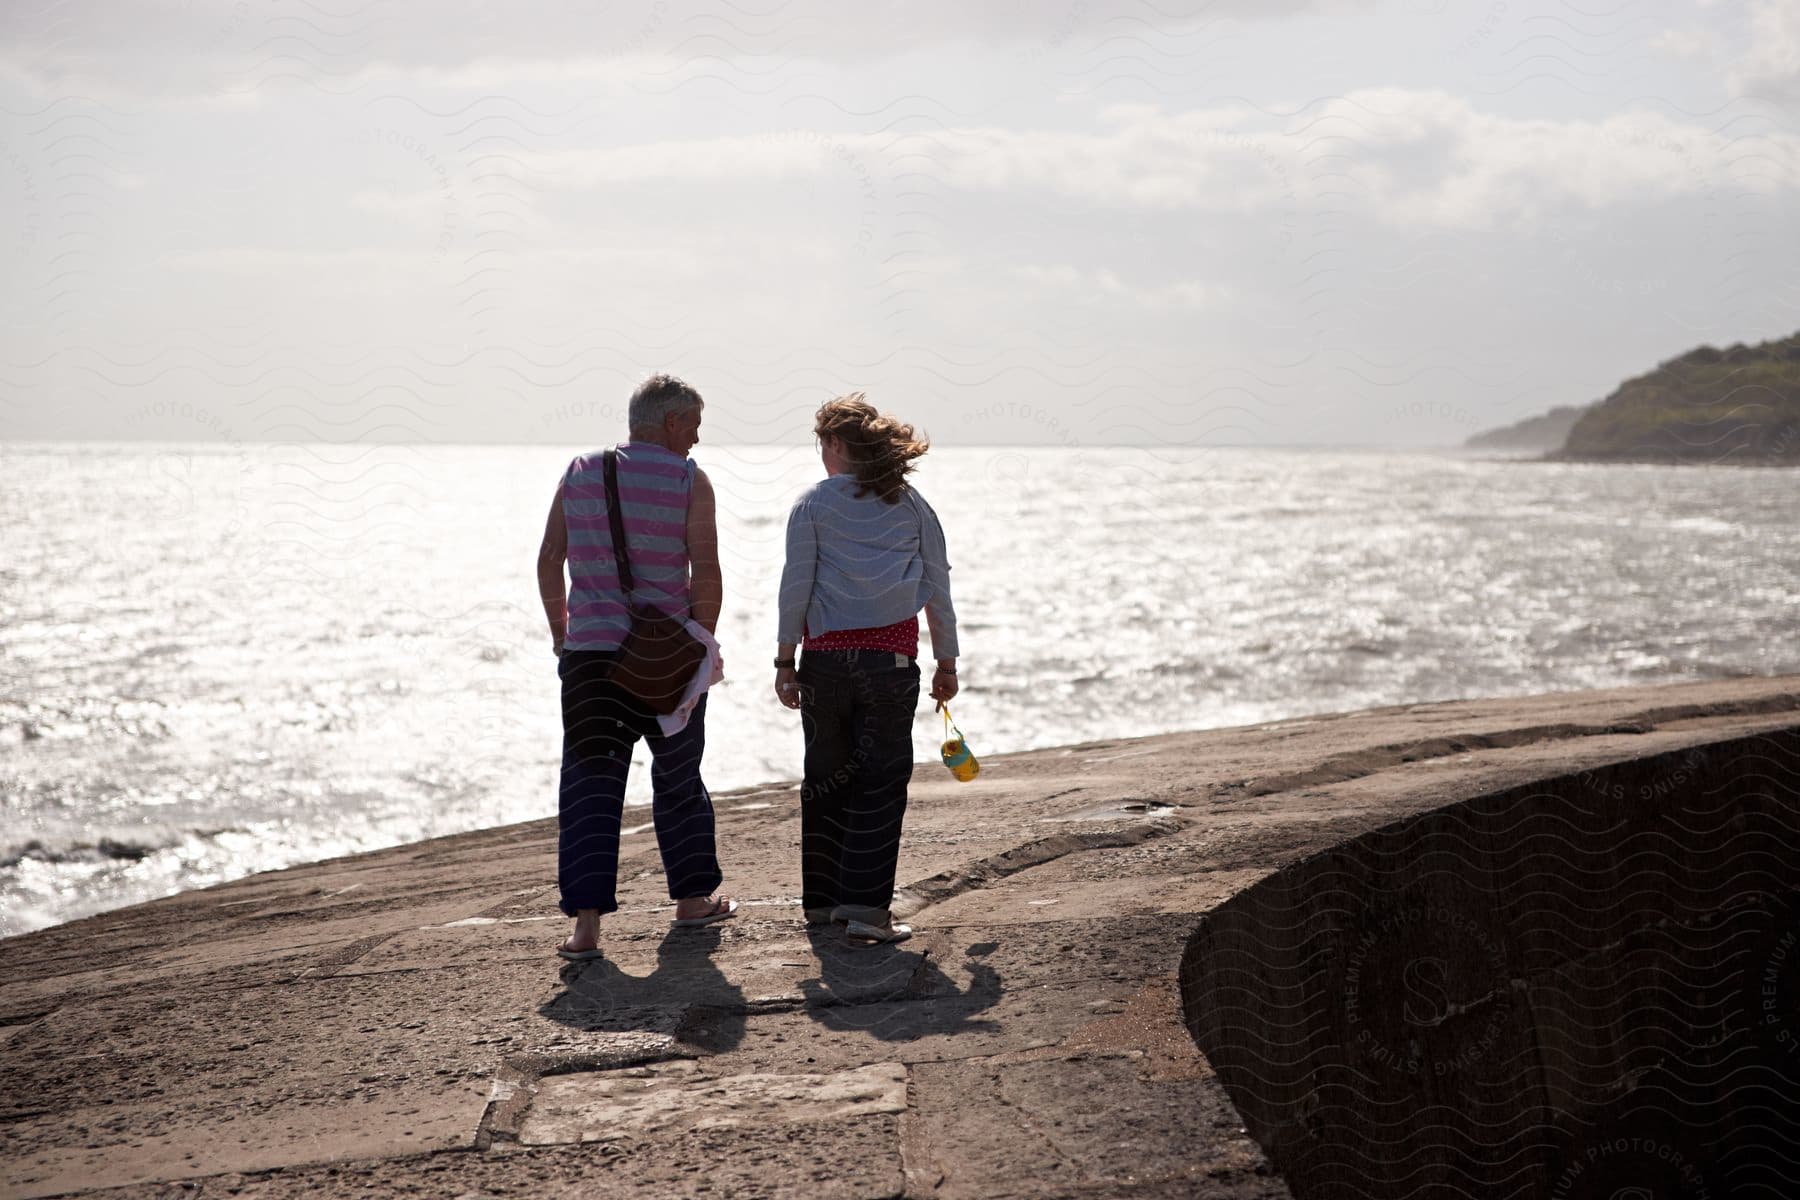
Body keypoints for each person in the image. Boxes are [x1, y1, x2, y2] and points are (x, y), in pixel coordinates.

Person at [537, 373, 735, 961]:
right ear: (671, 421)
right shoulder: (687, 479)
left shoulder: (580, 471)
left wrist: (561, 637)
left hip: (591, 657)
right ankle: (693, 901)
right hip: (664, 657)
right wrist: (701, 641)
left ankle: (587, 928)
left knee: (590, 785)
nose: (697, 439)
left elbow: (550, 558)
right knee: (678, 777)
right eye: (694, 425)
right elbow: (707, 570)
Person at [774, 393, 960, 945]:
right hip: (890, 664)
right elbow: (939, 587)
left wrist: (785, 661)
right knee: (879, 784)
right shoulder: (910, 504)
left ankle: (823, 903)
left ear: (834, 444)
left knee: (826, 779)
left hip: (824, 664)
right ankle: (865, 913)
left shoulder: (811, 504)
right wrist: (946, 661)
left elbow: (795, 589)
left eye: (822, 443)